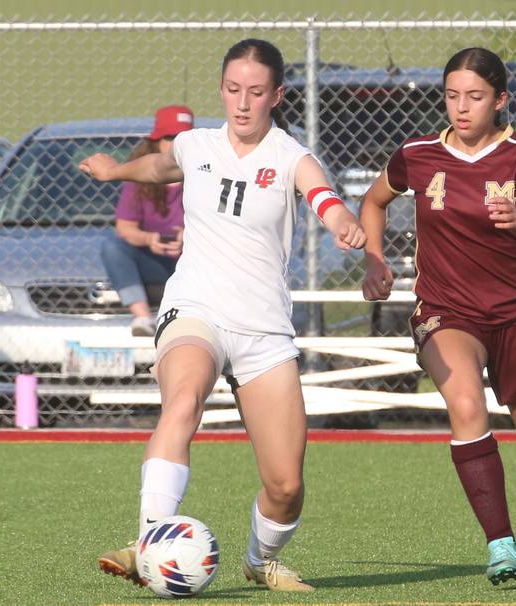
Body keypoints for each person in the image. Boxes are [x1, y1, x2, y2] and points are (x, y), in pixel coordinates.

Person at [79, 38, 366, 592]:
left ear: (277, 96)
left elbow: (322, 195)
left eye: (256, 92)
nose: (242, 103)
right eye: (233, 89)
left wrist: (340, 222)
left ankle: (260, 561)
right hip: (196, 308)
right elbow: (161, 166)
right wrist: (117, 170)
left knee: (285, 486)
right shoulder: (196, 144)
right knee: (183, 399)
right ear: (222, 90)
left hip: (262, 328)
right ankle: (149, 543)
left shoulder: (291, 156)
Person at [360, 47, 516, 586]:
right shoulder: (416, 155)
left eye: (476, 97)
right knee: (465, 405)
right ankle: (501, 545)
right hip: (447, 311)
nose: (462, 108)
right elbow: (373, 202)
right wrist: (374, 258)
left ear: (500, 100)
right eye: (452, 96)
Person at [101, 105, 194, 337]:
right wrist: (150, 239)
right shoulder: (140, 180)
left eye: (183, 137)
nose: (175, 144)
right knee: (113, 248)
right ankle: (142, 317)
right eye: (169, 137)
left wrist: (191, 237)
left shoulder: (205, 176)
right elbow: (125, 227)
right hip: (155, 261)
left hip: (192, 261)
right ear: (156, 142)